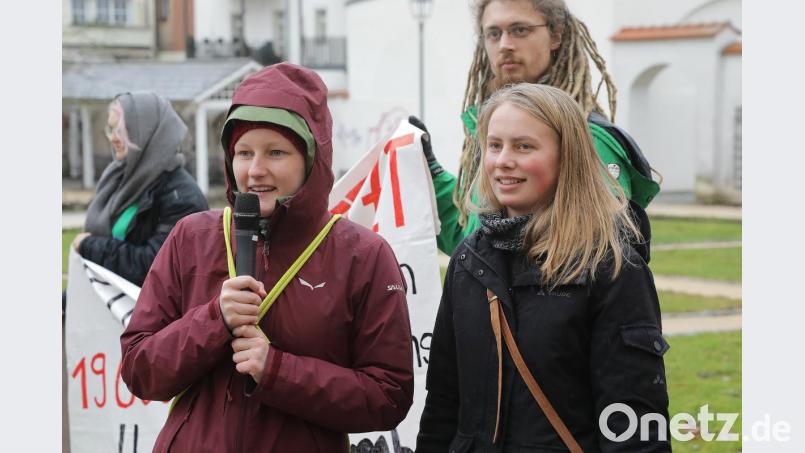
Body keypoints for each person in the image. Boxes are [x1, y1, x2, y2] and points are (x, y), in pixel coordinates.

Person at [120, 63, 414, 452]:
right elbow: (140, 371)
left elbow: (388, 396)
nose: (255, 171)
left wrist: (275, 370)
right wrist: (214, 320)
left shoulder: (363, 254)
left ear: (311, 157)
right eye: (243, 153)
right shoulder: (191, 237)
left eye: (276, 152)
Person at [416, 84, 670, 451]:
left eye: (524, 146)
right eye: (494, 145)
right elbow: (444, 399)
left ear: (567, 157)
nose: (503, 160)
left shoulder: (611, 265)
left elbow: (634, 421)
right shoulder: (470, 260)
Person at [413, 0, 659, 261]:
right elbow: (473, 244)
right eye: (494, 33)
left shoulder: (586, 139)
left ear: (556, 34)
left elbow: (595, 262)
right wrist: (430, 176)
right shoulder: (495, 129)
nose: (505, 44)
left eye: (520, 30)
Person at [71, 91, 208, 286]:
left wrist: (90, 246)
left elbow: (152, 268)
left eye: (122, 130)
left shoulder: (182, 198)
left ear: (148, 133)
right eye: (111, 129)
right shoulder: (121, 178)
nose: (113, 138)